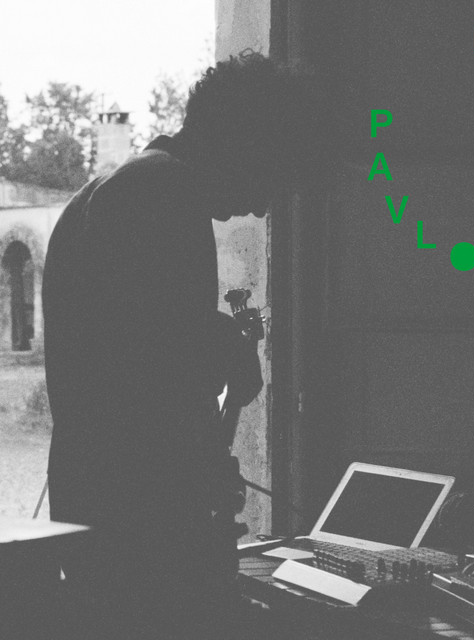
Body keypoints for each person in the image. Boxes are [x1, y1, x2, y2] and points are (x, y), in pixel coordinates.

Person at [43, 52, 320, 640]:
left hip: (97, 506)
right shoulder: (166, 191)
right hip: (142, 523)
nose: (262, 205)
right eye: (271, 174)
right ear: (245, 140)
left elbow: (136, 341)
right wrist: (224, 350)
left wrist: (213, 337)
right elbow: (158, 382)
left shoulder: (116, 188)